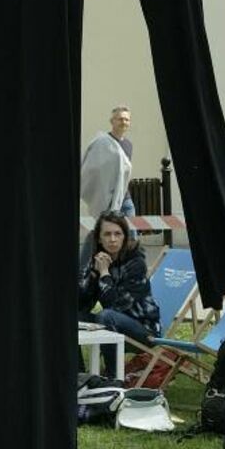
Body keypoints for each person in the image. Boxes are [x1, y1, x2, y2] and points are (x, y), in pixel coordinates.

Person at [78, 210, 159, 375]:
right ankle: (77, 376)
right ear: (99, 238)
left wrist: (104, 274)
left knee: (106, 316)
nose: (113, 239)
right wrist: (93, 275)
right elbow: (83, 304)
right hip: (113, 323)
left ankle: (113, 377)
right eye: (107, 234)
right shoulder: (99, 260)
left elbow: (116, 305)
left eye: (118, 234)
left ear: (125, 237)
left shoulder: (136, 263)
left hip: (144, 331)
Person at [80, 106, 133, 221]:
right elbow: (91, 168)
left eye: (126, 119)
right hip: (106, 199)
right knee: (102, 232)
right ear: (112, 121)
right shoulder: (101, 142)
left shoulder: (128, 145)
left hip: (125, 198)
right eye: (120, 119)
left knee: (131, 234)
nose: (123, 122)